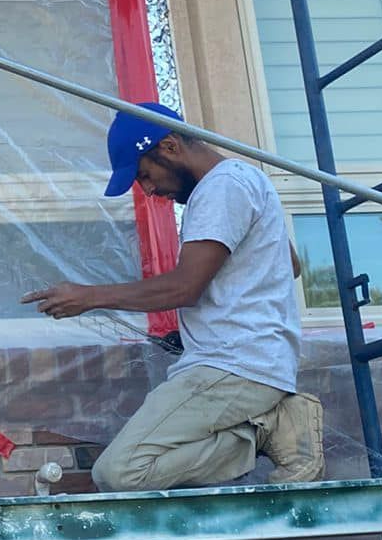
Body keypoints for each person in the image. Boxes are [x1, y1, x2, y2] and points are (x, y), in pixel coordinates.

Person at [22, 106, 324, 492]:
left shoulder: (221, 187)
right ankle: (266, 427)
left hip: (235, 366)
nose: (148, 191)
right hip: (244, 361)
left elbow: (184, 287)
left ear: (169, 145)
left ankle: (269, 428)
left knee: (120, 472)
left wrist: (90, 296)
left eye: (145, 175)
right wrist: (209, 320)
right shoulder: (244, 182)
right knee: (130, 469)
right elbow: (289, 265)